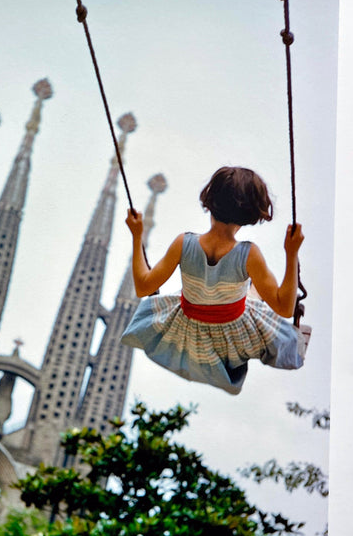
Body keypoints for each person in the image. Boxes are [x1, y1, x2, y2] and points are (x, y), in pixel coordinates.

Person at [121, 166, 308, 395]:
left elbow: (142, 287)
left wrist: (137, 235)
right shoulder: (249, 255)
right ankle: (251, 294)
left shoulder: (184, 243)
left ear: (210, 201)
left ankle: (245, 293)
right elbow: (285, 308)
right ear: (251, 214)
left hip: (188, 331)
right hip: (232, 336)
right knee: (257, 299)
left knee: (233, 290)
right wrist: (291, 254)